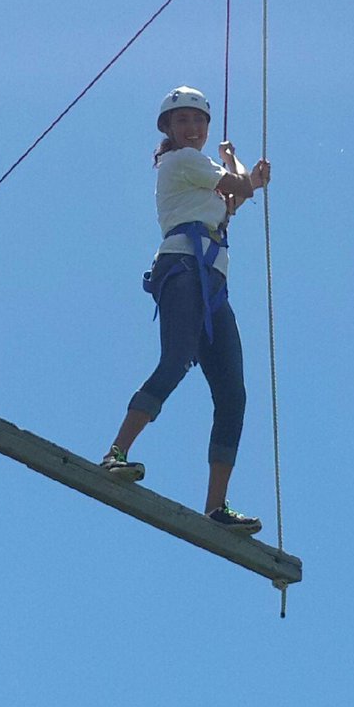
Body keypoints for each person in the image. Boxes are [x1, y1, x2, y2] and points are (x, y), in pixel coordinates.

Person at [100, 85, 271, 533]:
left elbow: (236, 196)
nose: (191, 128)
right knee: (176, 360)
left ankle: (215, 507)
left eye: (198, 121)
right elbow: (240, 188)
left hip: (212, 282)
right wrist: (242, 169)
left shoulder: (201, 167)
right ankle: (115, 453)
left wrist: (236, 165)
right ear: (169, 132)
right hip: (182, 269)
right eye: (182, 122)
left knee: (233, 394)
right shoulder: (180, 162)